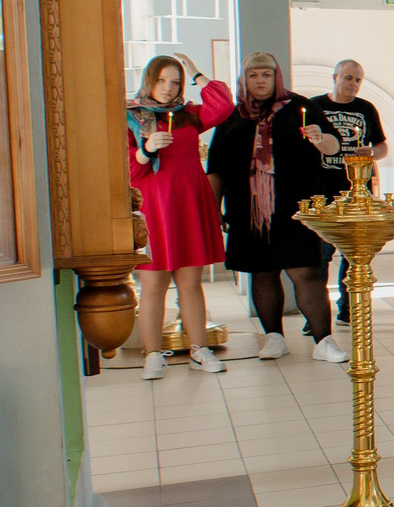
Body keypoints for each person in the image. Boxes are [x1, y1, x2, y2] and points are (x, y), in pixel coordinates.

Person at [208, 52, 340, 363]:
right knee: (262, 273)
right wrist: (213, 210)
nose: (260, 81)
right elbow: (216, 169)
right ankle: (274, 338)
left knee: (306, 272)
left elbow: (333, 147)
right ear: (244, 79)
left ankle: (324, 341)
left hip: (295, 208)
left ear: (276, 77)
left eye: (266, 74)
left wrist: (320, 138)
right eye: (253, 75)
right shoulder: (232, 116)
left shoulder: (299, 107)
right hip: (248, 210)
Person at [126, 52, 233, 379]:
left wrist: (197, 73)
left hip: (188, 203)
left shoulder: (188, 115)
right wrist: (147, 149)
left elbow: (223, 106)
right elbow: (127, 169)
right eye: (161, 80)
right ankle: (152, 354)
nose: (168, 87)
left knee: (191, 282)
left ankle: (199, 349)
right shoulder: (132, 115)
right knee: (153, 283)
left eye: (175, 82)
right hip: (154, 207)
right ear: (149, 79)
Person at [303, 59, 388, 319]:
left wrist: (371, 153)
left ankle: (348, 309)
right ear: (335, 77)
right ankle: (316, 315)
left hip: (356, 192)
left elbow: (382, 147)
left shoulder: (366, 108)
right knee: (320, 256)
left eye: (358, 80)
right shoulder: (315, 106)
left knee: (354, 253)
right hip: (321, 191)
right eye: (349, 78)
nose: (354, 84)